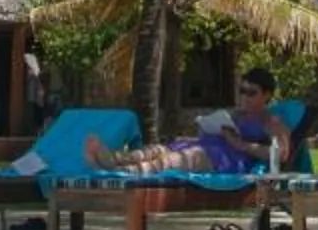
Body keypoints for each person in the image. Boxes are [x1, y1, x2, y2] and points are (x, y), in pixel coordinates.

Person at [86, 68, 292, 175]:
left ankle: (119, 173)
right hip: (210, 147)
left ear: (267, 95)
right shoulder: (237, 115)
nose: (245, 97)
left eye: (251, 93)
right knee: (159, 149)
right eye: (242, 91)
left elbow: (281, 154)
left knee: (175, 159)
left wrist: (240, 144)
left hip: (228, 159)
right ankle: (112, 159)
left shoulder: (272, 121)